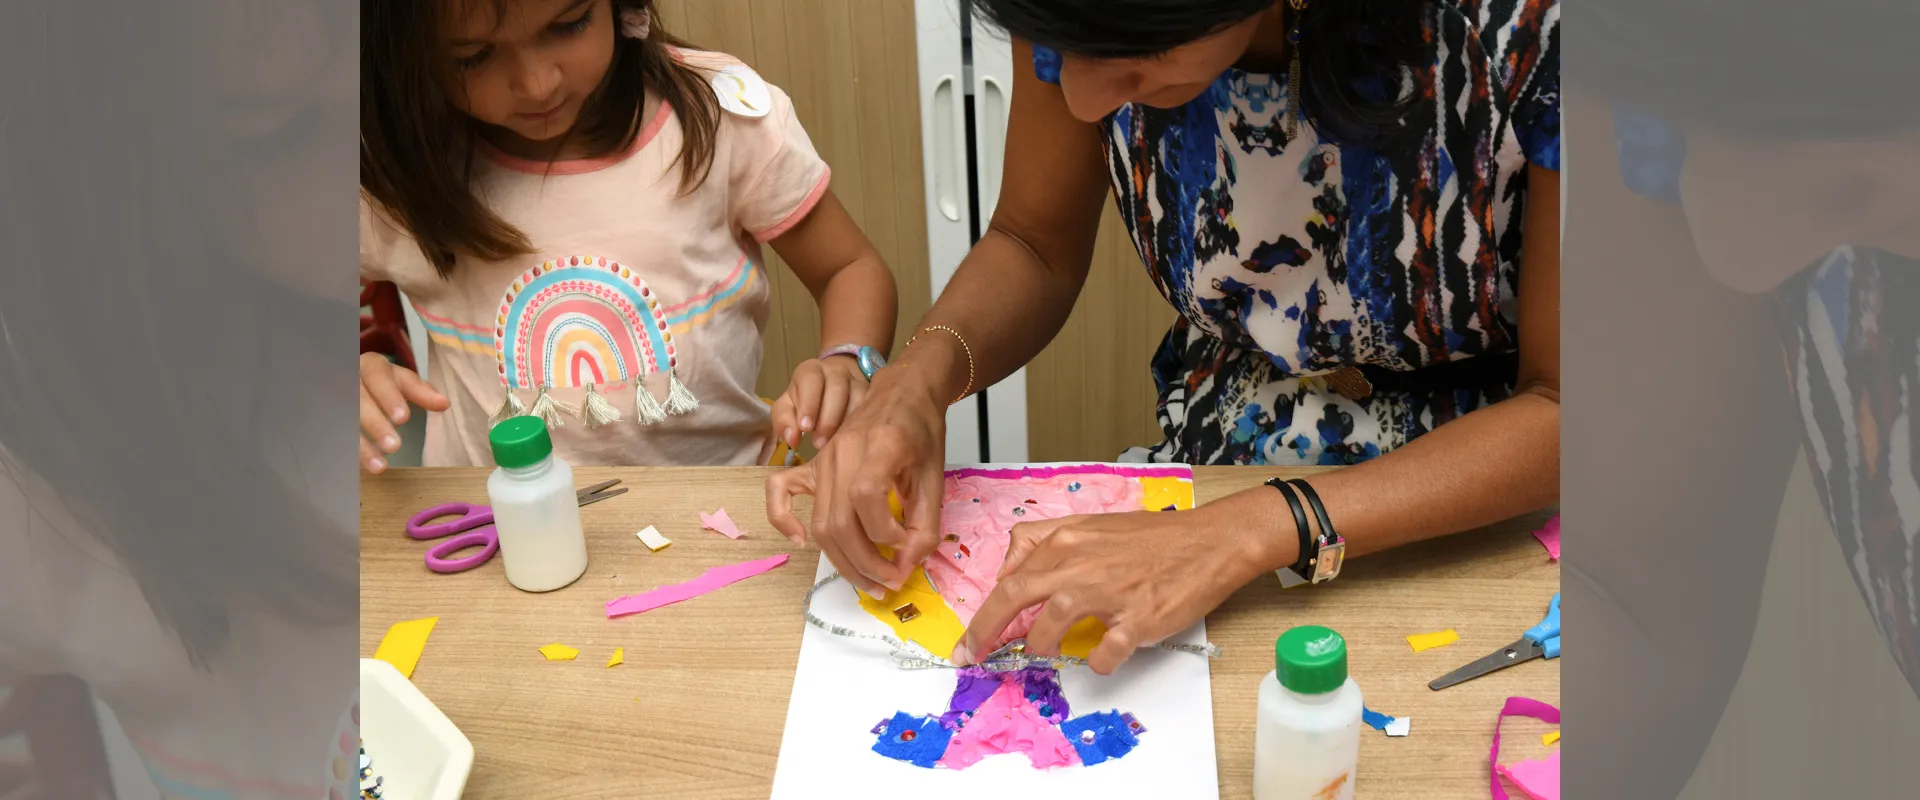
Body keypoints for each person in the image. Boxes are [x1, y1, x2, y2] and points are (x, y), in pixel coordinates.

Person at [769, 0, 1560, 672]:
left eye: (1131, 55)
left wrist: (1243, 531)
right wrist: (922, 376)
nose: (1080, 99)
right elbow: (1032, 244)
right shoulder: (1075, 20)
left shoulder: (1536, 32)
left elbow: (1571, 406)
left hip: (1484, 502)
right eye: (1056, 53)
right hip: (1225, 454)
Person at [358, 0, 898, 472]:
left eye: (568, 24)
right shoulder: (396, 178)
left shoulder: (719, 120)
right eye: (473, 56)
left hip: (724, 514)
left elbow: (848, 268)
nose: (537, 82)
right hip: (496, 533)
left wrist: (847, 362)